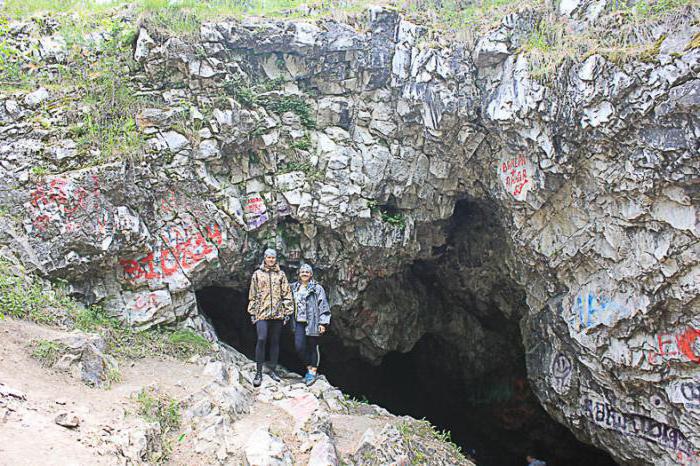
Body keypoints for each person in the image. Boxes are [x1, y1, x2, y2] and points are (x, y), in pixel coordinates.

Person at [247, 248, 294, 387]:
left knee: (275, 341)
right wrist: (252, 312)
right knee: (261, 339)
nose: (271, 260)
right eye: (269, 257)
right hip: (262, 312)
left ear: (276, 259)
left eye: (273, 258)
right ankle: (259, 372)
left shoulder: (281, 275)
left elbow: (286, 293)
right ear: (265, 258)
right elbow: (253, 294)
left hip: (277, 313)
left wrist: (287, 312)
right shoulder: (257, 274)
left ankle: (272, 370)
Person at [291, 263, 331, 386]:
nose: (304, 274)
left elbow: (323, 305)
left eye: (307, 272)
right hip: (298, 321)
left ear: (311, 274)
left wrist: (323, 322)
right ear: (299, 273)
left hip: (313, 321)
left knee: (312, 346)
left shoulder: (317, 288)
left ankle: (312, 372)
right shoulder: (293, 287)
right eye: (302, 272)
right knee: (299, 347)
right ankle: (309, 366)